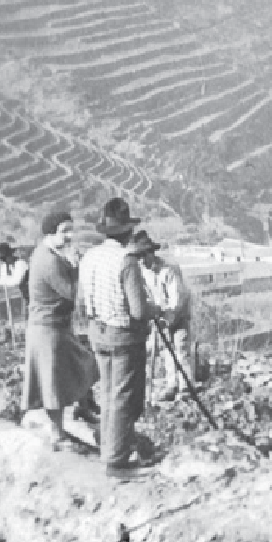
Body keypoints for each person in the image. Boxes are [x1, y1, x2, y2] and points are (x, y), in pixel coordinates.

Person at [78, 197, 162, 475]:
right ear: (128, 233)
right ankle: (116, 461)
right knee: (123, 397)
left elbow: (82, 300)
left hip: (97, 333)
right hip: (123, 337)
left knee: (108, 393)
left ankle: (110, 448)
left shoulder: (89, 257)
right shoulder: (126, 262)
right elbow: (138, 311)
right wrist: (155, 309)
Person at [22, 208, 99, 449]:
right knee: (53, 384)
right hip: (48, 331)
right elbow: (71, 292)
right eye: (64, 231)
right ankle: (57, 433)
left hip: (54, 328)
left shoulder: (48, 254)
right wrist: (77, 268)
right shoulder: (48, 261)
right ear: (50, 233)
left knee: (80, 367)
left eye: (70, 230)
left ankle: (81, 409)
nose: (70, 236)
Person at [130, 229, 193, 400]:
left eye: (144, 256)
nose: (141, 260)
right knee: (167, 350)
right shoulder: (143, 274)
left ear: (151, 253)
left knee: (181, 347)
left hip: (177, 315)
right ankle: (171, 385)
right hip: (160, 317)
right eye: (138, 257)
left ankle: (186, 387)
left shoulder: (169, 270)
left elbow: (177, 299)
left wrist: (168, 318)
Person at [0, 243, 30, 318]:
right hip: (14, 298)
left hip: (28, 295)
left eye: (7, 257)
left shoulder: (20, 264)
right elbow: (1, 282)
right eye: (4, 258)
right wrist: (7, 281)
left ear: (11, 255)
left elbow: (17, 281)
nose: (6, 260)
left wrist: (6, 281)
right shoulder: (4, 267)